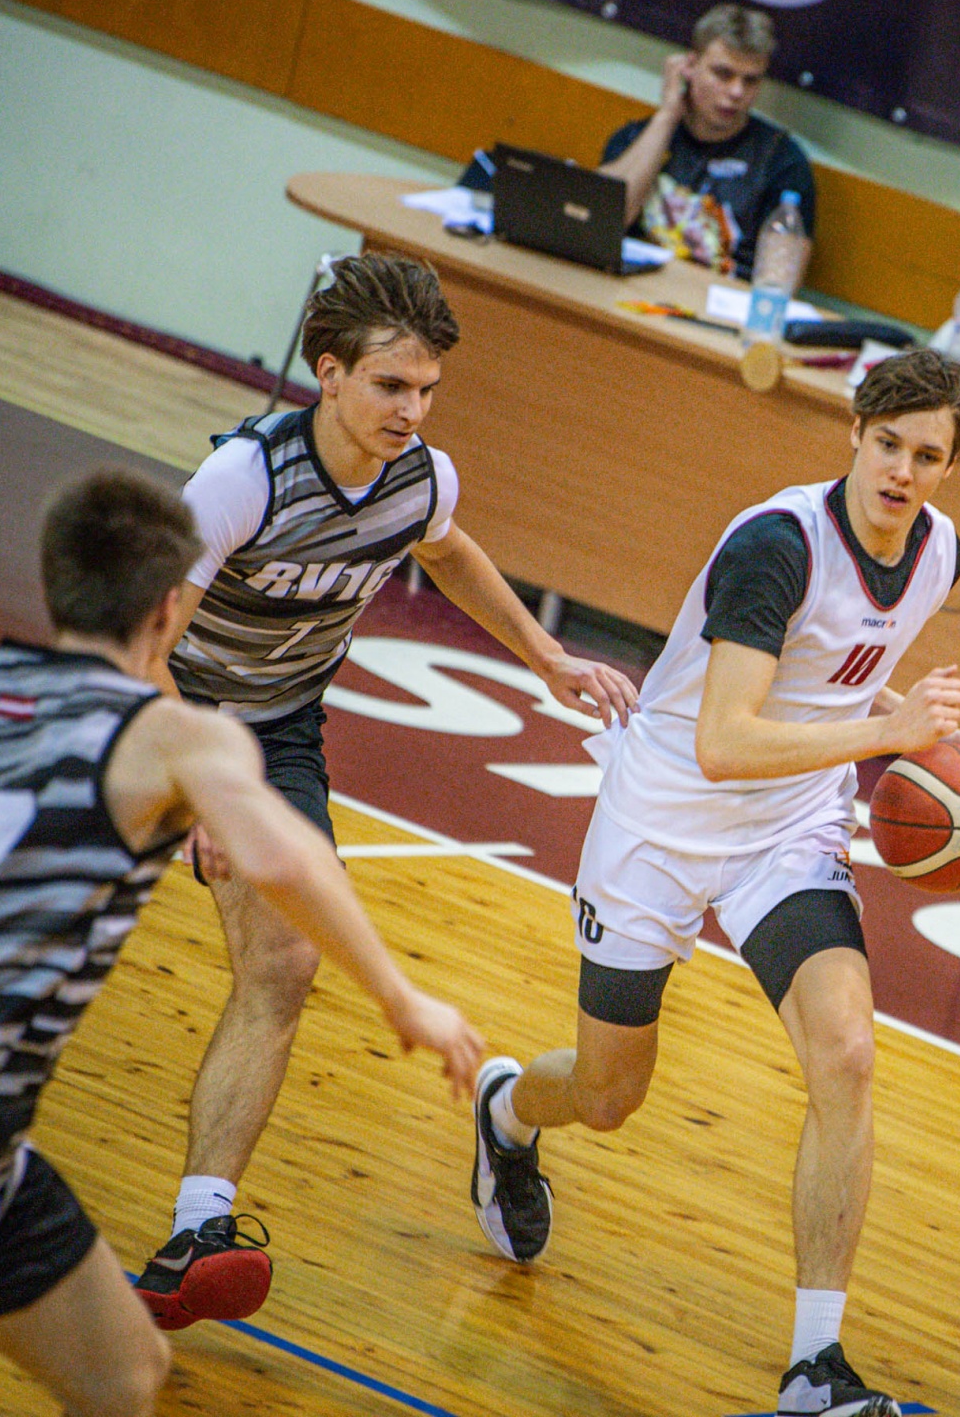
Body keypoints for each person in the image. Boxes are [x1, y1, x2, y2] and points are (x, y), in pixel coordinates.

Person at [0, 471, 483, 1417]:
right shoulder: (170, 738)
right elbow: (286, 855)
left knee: (124, 1375)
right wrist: (400, 996)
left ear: (53, 582)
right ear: (170, 607)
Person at [470, 351, 960, 1417]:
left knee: (846, 1054)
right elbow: (722, 742)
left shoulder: (940, 551)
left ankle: (816, 1368)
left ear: (952, 465)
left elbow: (832, 669)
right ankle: (508, 1111)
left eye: (928, 455)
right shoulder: (776, 547)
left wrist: (920, 736)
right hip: (664, 815)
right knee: (608, 1096)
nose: (902, 471)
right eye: (888, 444)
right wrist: (891, 733)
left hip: (787, 829)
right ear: (855, 435)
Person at [133, 253, 637, 1330]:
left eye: (427, 391)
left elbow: (446, 552)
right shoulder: (243, 480)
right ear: (328, 374)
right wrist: (201, 783)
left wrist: (546, 655)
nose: (412, 411)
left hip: (277, 731)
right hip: (160, 710)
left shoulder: (422, 479)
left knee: (285, 963)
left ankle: (198, 1229)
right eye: (390, 386)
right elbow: (141, 642)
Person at [598, 3, 816, 279]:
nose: (736, 92)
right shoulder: (637, 138)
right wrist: (667, 115)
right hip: (632, 290)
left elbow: (779, 283)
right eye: (723, 74)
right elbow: (599, 225)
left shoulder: (783, 163)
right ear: (690, 67)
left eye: (750, 81)